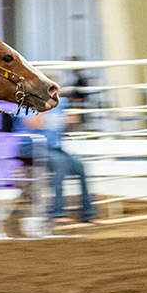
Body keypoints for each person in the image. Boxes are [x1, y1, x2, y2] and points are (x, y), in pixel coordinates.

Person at [13, 94, 96, 224]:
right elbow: (35, 124)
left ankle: (89, 214)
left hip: (54, 148)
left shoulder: (60, 104)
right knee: (60, 164)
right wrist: (45, 107)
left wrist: (69, 121)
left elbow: (63, 128)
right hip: (31, 147)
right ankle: (57, 213)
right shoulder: (26, 104)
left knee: (80, 166)